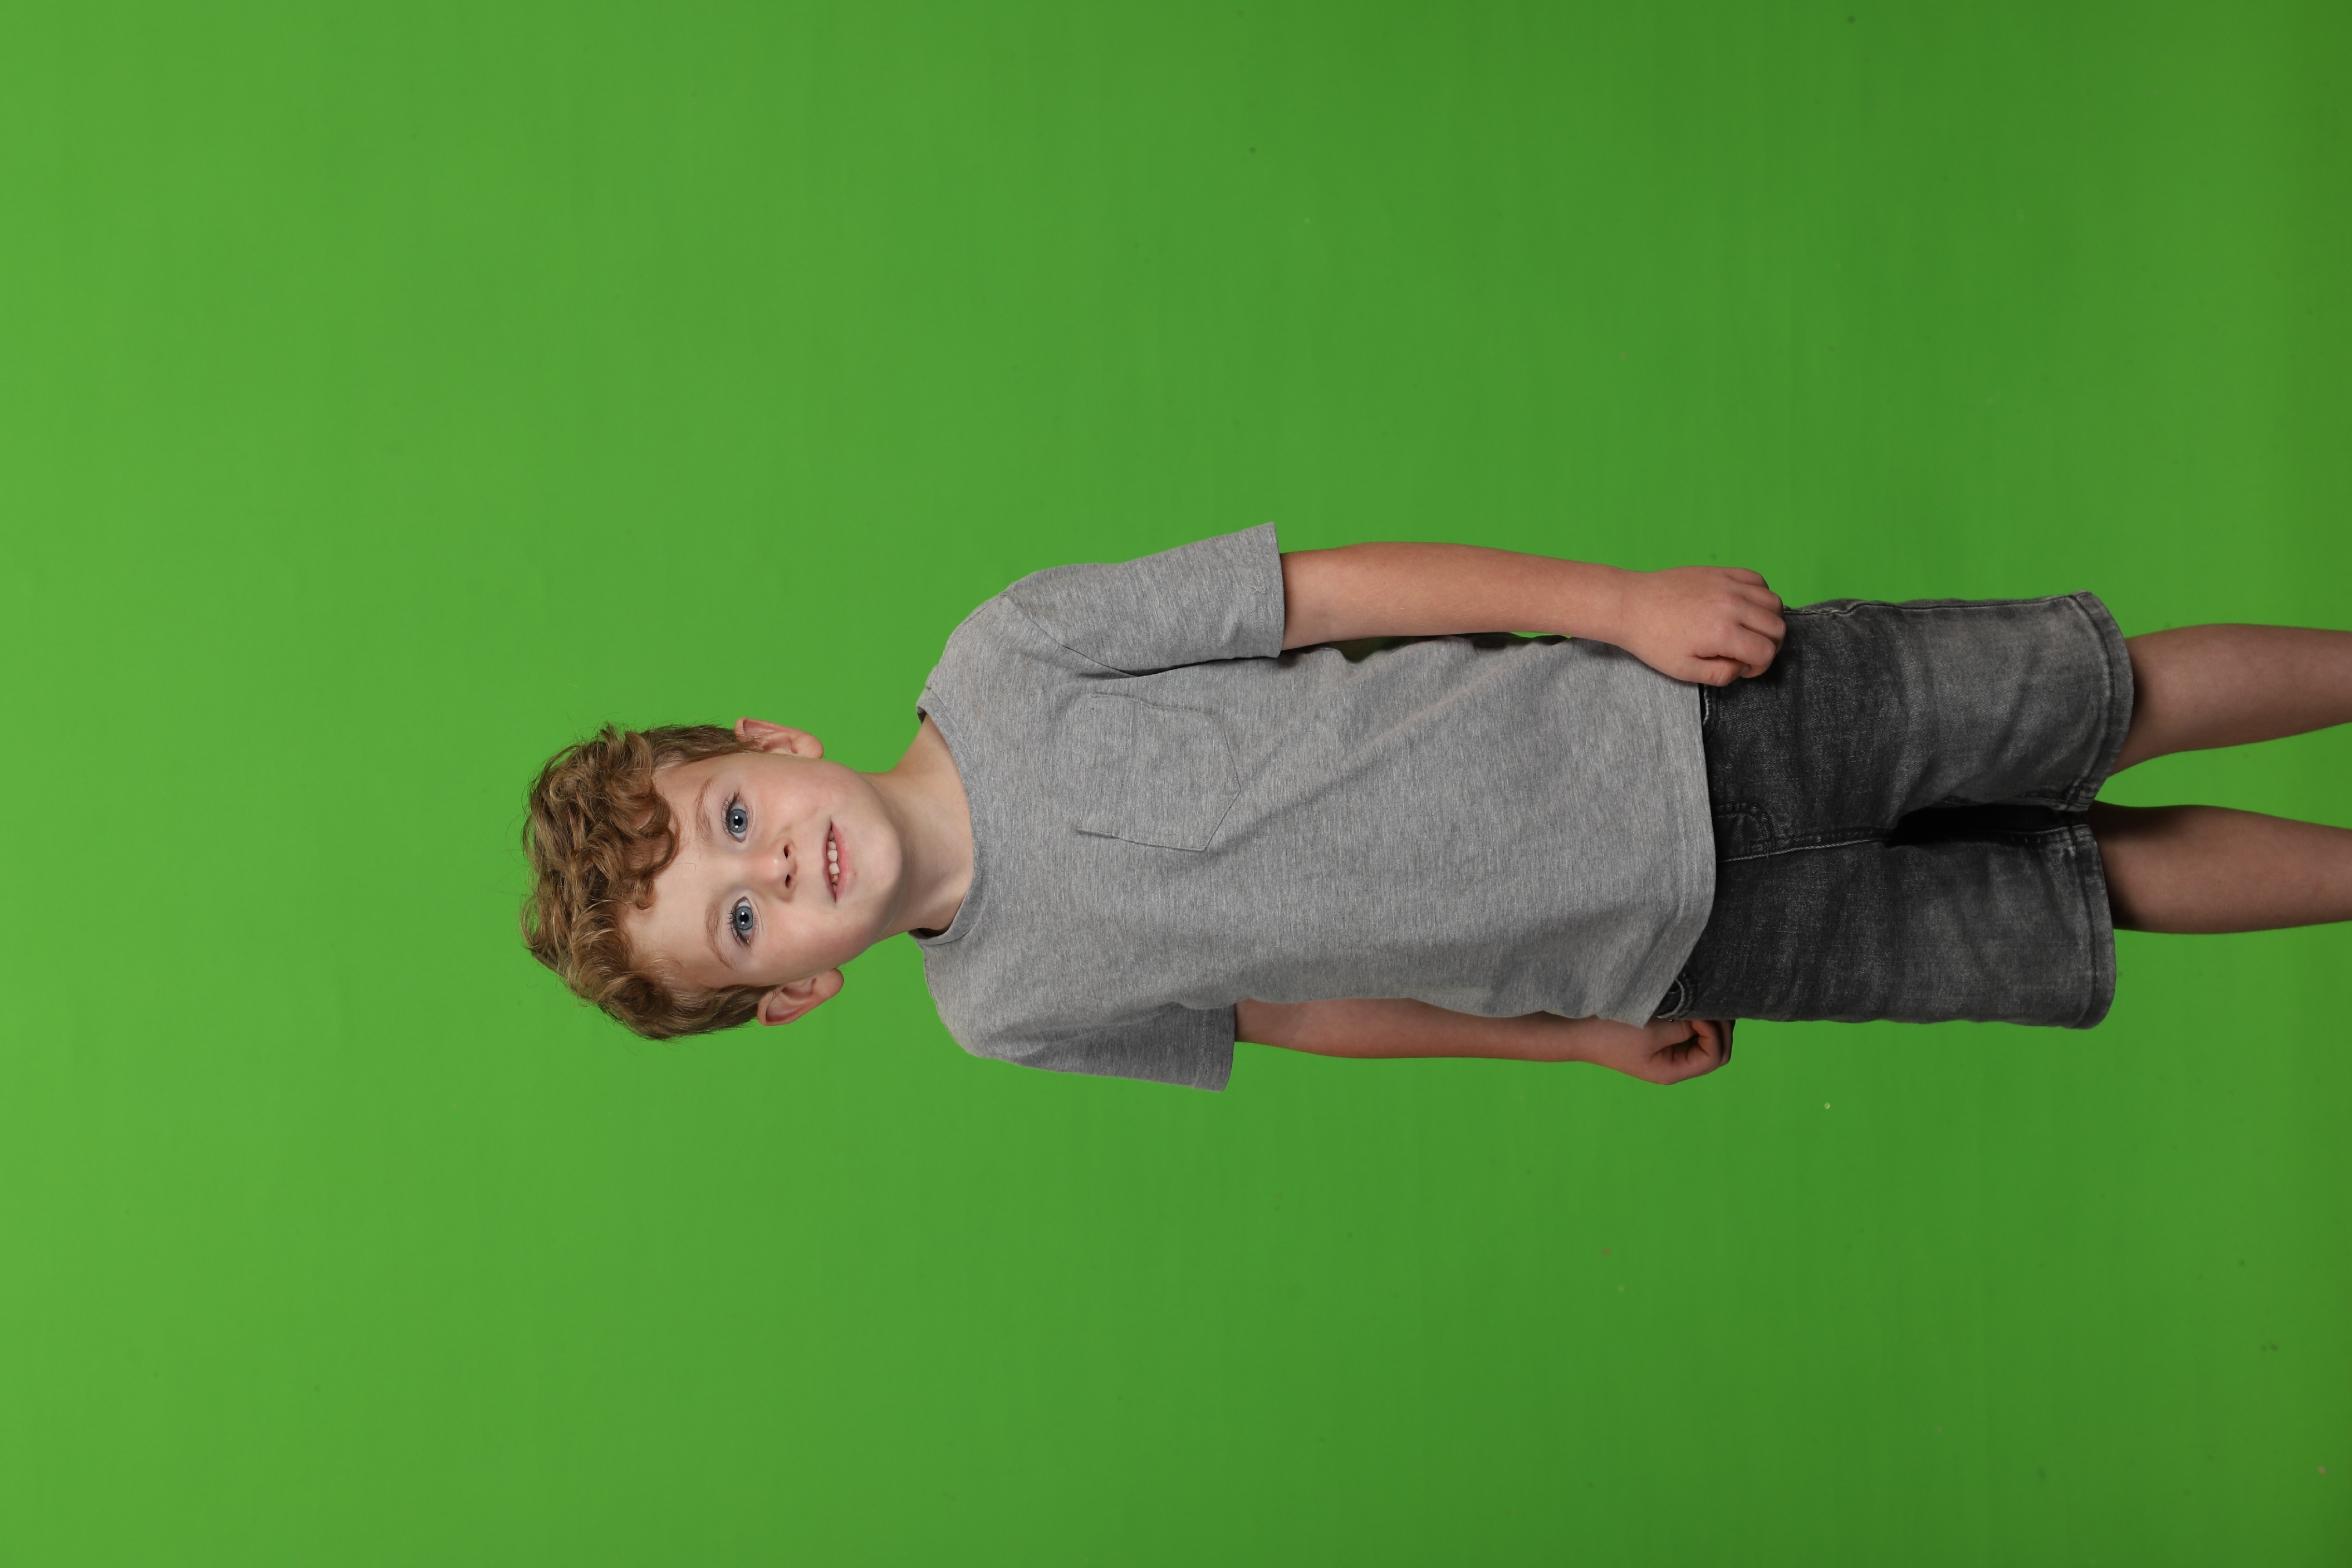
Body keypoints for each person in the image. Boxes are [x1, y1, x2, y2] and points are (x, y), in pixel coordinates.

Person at [520, 526, 2352, 1090]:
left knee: (2097, 698)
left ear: (767, 739)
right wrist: (1569, 1044)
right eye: (743, 919)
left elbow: (1319, 595)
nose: (777, 866)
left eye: (735, 818)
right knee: (2081, 899)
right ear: (794, 991)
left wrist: (1615, 607)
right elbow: (1291, 1016)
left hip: (1681, 720)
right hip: (1669, 945)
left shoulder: (1008, 655)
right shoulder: (1003, 1011)